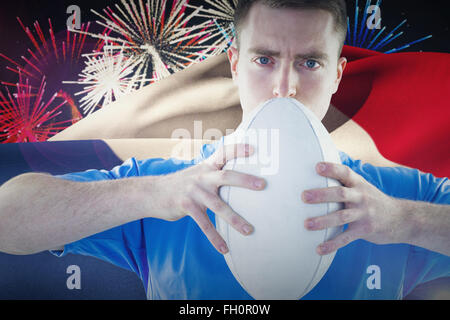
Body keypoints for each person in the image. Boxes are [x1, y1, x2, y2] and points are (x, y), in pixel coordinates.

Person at [0, 0, 448, 299]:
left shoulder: (388, 194)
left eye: (310, 63)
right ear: (234, 64)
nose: (285, 88)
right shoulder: (170, 188)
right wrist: (151, 195)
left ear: (337, 74)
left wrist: (403, 220)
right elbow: (8, 221)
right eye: (264, 59)